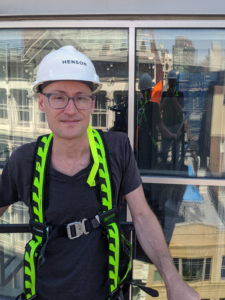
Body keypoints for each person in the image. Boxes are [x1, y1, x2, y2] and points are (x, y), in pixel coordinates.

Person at [0, 46, 200, 300]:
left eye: (81, 97)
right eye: (58, 97)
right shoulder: (24, 161)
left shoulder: (116, 149)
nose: (71, 110)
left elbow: (142, 216)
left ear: (92, 103)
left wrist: (173, 280)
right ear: (41, 101)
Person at [136, 72, 177, 170]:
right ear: (150, 91)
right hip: (150, 147)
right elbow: (162, 128)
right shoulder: (153, 106)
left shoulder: (135, 106)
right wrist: (173, 135)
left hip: (139, 147)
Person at [160, 70, 184, 168]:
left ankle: (175, 169)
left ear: (175, 82)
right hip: (166, 126)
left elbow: (180, 109)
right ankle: (164, 168)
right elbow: (160, 108)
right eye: (170, 81)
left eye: (173, 81)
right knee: (164, 151)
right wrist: (166, 99)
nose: (172, 83)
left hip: (177, 126)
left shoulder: (180, 94)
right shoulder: (164, 94)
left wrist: (173, 98)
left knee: (176, 152)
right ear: (168, 81)